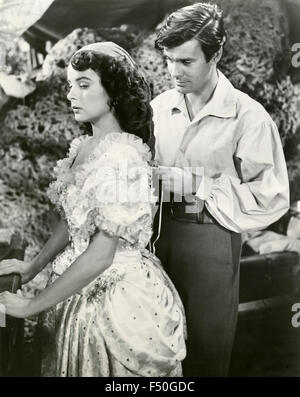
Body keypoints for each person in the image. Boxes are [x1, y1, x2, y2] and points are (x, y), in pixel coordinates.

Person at [0, 42, 186, 377]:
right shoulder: (86, 146)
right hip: (76, 282)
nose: (72, 94)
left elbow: (101, 255)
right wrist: (32, 267)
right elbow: (73, 219)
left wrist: (30, 306)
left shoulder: (122, 159)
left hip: (115, 300)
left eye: (84, 84)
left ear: (113, 92)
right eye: (71, 84)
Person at [151, 2, 290, 376]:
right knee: (156, 348)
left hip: (210, 237)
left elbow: (272, 197)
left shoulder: (249, 117)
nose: (173, 72)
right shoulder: (157, 109)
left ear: (216, 54)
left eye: (186, 61)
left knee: (204, 354)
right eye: (168, 59)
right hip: (154, 236)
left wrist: (200, 185)